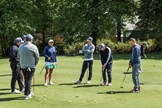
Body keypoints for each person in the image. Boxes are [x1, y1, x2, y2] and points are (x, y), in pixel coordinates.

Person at [18, 34, 39, 99]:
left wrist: (21, 63)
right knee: (28, 80)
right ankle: (27, 94)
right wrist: (35, 64)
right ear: (31, 39)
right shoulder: (33, 46)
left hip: (23, 66)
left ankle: (28, 92)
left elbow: (18, 57)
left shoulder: (20, 46)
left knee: (26, 80)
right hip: (31, 66)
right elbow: (37, 57)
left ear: (25, 39)